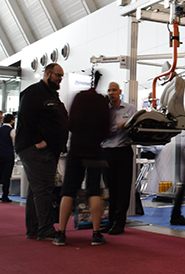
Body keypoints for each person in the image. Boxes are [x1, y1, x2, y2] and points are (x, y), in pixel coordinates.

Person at [53, 71, 110, 246]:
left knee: (68, 190)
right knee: (94, 190)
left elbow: (70, 123)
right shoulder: (101, 101)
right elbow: (106, 128)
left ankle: (61, 233)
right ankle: (96, 234)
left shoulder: (79, 97)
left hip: (77, 148)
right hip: (95, 150)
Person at [16, 63, 69, 241]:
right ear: (47, 73)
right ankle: (44, 228)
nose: (60, 79)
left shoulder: (52, 95)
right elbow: (26, 116)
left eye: (61, 76)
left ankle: (34, 228)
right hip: (36, 149)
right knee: (44, 189)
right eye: (57, 75)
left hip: (48, 149)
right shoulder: (34, 92)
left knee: (37, 189)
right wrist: (38, 140)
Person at [101, 82, 137, 235]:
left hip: (123, 151)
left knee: (123, 188)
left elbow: (136, 128)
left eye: (114, 90)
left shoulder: (130, 109)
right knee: (110, 189)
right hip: (107, 152)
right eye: (109, 90)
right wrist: (118, 127)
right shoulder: (103, 110)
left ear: (120, 92)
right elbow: (101, 131)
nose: (111, 93)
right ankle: (110, 221)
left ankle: (119, 222)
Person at [0, 114, 16, 203]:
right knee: (6, 176)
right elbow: (14, 143)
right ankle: (5, 196)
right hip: (8, 154)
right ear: (12, 121)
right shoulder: (12, 131)